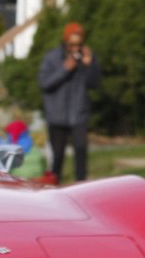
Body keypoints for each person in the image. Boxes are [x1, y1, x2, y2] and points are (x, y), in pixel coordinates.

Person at [38, 21, 100, 182]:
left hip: (78, 114)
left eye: (78, 45)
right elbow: (44, 83)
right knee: (57, 157)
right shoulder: (52, 58)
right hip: (57, 116)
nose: (75, 49)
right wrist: (65, 69)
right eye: (72, 44)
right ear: (65, 42)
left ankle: (81, 187)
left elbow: (94, 84)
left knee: (81, 152)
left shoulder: (87, 58)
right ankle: (53, 188)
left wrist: (89, 65)